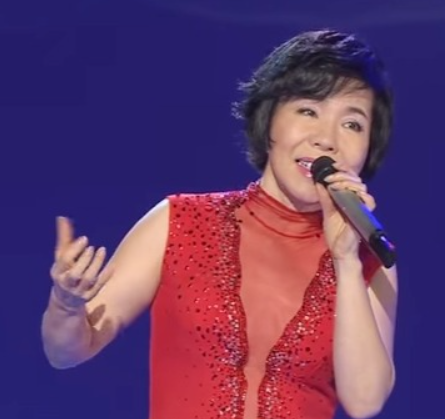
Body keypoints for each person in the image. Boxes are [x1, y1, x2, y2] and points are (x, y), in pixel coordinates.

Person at [41, 29, 398, 419]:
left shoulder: (371, 257)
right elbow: (66, 352)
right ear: (269, 120)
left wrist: (346, 261)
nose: (327, 140)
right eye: (308, 111)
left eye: (352, 124)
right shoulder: (179, 221)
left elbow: (365, 402)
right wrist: (66, 306)